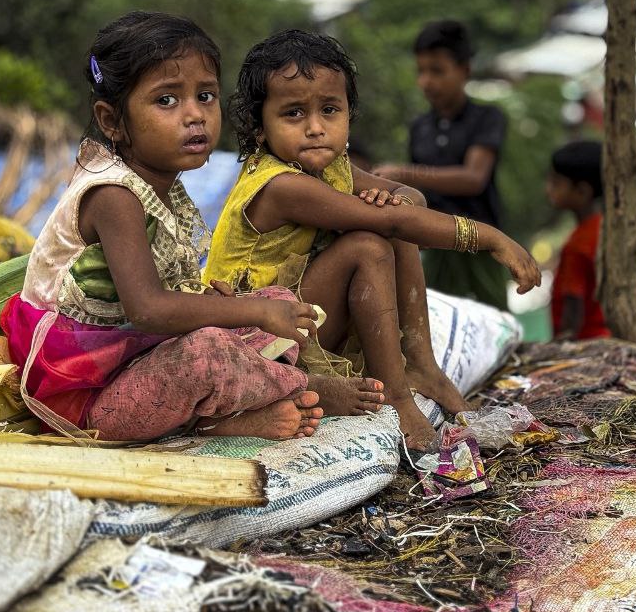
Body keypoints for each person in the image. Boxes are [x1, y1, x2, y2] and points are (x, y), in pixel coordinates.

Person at [1, 11, 382, 444]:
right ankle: (302, 388)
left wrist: (225, 303)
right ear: (111, 121)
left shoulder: (161, 186)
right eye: (167, 100)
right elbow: (149, 310)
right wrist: (247, 311)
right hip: (87, 395)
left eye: (205, 96)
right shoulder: (115, 196)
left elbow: (154, 300)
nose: (194, 115)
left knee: (275, 300)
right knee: (208, 353)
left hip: (140, 358)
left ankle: (228, 412)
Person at [205, 29, 541, 451]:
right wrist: (489, 238)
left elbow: (410, 202)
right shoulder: (281, 185)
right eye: (293, 114)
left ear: (348, 112)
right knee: (370, 242)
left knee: (387, 220)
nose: (315, 128)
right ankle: (397, 395)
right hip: (259, 341)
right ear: (259, 128)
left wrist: (393, 197)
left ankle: (422, 363)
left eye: (330, 110)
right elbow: (400, 225)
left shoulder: (333, 166)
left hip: (300, 317)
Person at [372, 20, 510, 310]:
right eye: (421, 71)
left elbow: (474, 177)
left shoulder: (487, 118)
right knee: (434, 316)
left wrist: (405, 173)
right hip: (435, 242)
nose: (426, 81)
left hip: (481, 244)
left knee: (493, 318)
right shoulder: (420, 127)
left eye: (437, 71)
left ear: (465, 71)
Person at [546, 140, 610, 341]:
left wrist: (562, 346)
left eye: (556, 183)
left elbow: (573, 305)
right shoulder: (604, 229)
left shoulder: (579, 243)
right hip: (605, 337)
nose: (548, 189)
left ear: (582, 191)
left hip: (585, 343)